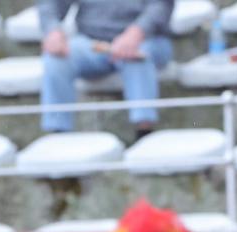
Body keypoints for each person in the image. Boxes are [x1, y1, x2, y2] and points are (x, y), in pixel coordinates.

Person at [38, 0, 173, 140]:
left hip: (146, 39)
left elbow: (160, 6)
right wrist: (52, 30)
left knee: (137, 57)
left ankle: (144, 133)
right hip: (92, 43)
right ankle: (58, 135)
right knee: (56, 59)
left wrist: (136, 33)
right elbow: (50, 4)